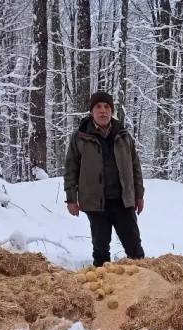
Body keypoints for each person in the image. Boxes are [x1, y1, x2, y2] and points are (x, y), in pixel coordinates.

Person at [64, 91, 145, 267]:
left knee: (135, 249)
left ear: (112, 111)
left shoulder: (123, 135)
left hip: (123, 201)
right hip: (95, 202)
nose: (103, 111)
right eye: (98, 107)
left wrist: (139, 195)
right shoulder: (80, 136)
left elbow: (135, 167)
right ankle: (103, 282)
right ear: (91, 111)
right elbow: (71, 169)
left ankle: (142, 281)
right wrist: (71, 198)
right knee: (100, 251)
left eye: (107, 107)